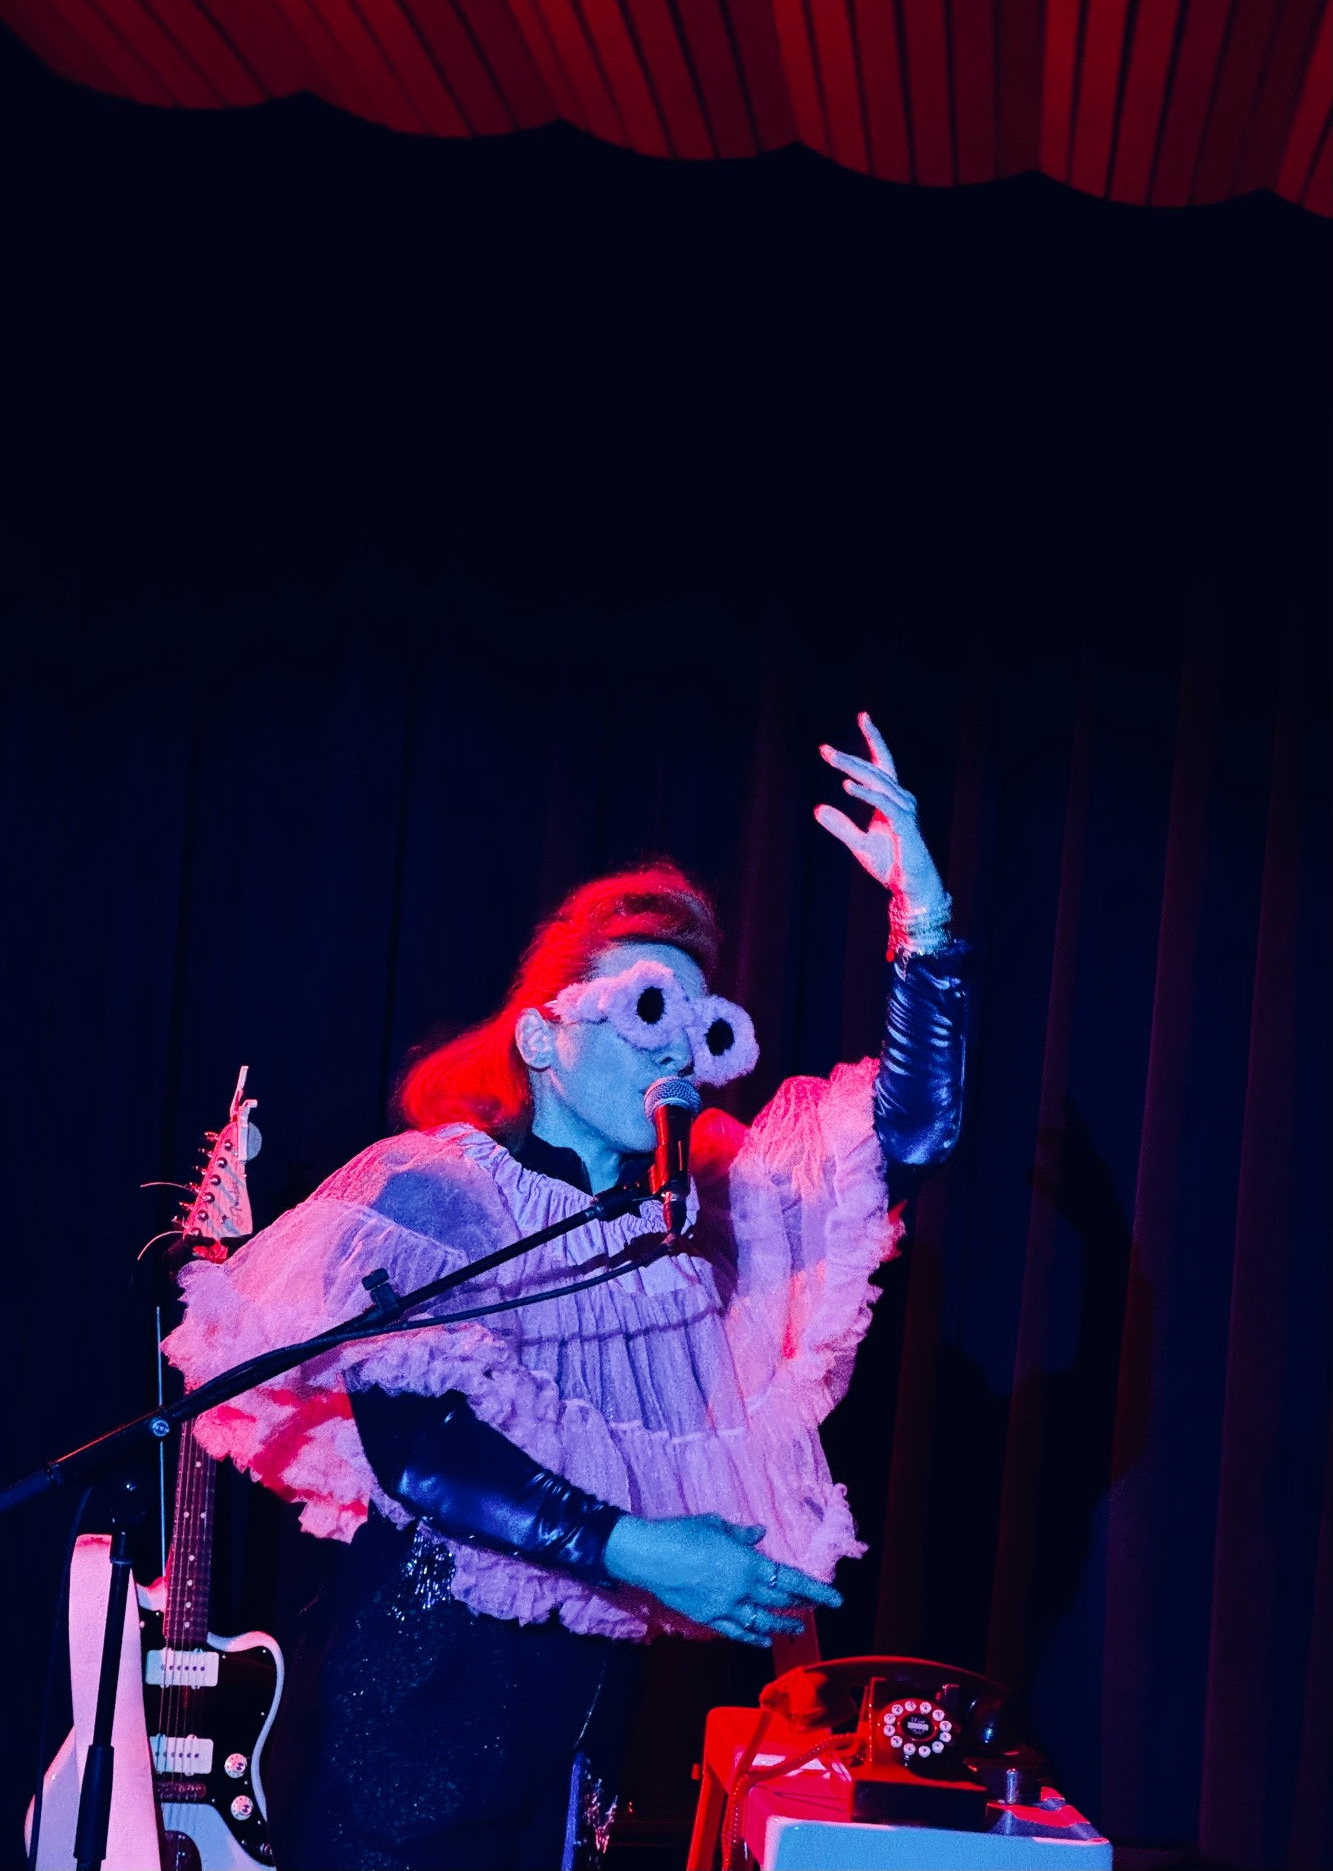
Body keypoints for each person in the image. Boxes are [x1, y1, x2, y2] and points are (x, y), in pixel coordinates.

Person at [164, 713, 969, 1870]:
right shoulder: (439, 1187)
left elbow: (913, 1133)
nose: (676, 1048)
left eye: (701, 1027)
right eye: (647, 1009)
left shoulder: (704, 1209)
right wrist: (638, 1543)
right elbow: (419, 1441)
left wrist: (924, 926)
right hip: (414, 1732)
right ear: (543, 1037)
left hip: (579, 1763)